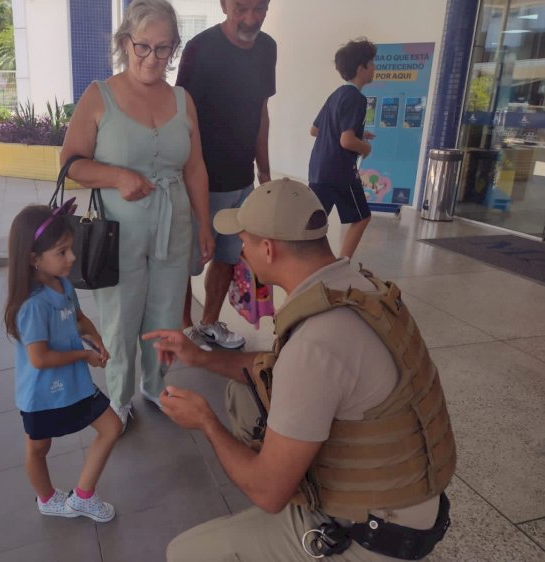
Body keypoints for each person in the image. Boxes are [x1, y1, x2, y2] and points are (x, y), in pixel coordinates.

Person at [144, 178, 456, 561]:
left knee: (184, 553)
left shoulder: (316, 342)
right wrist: (200, 357)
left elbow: (268, 494)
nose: (241, 252)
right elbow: (273, 368)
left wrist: (205, 421)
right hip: (410, 498)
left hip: (374, 534)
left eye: (244, 242)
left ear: (269, 249)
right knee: (244, 392)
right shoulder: (360, 288)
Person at [60, 0, 213, 431]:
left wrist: (204, 224)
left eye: (164, 49)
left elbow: (195, 167)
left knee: (165, 312)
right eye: (143, 46)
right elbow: (70, 162)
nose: (152, 58)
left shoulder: (183, 100)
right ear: (125, 43)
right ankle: (119, 394)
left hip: (174, 226)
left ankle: (155, 383)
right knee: (121, 315)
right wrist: (114, 176)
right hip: (117, 234)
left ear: (174, 49)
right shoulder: (99, 95)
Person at [4, 205, 121, 521]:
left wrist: (95, 338)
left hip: (75, 385)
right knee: (38, 449)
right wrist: (84, 355)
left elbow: (79, 320)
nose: (71, 258)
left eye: (71, 249)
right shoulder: (32, 306)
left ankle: (83, 496)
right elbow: (39, 359)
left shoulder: (64, 284)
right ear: (33, 259)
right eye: (62, 252)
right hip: (42, 395)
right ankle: (46, 498)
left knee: (111, 427)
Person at [177, 0, 276, 351]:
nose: (251, 18)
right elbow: (183, 118)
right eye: (241, 8)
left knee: (227, 256)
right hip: (199, 180)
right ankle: (186, 327)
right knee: (186, 262)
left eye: (260, 8)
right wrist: (190, 175)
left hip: (242, 181)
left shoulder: (267, 48)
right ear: (223, 4)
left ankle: (208, 325)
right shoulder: (200, 49)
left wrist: (264, 171)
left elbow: (261, 113)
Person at [309, 38, 378, 260]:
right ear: (361, 68)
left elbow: (315, 130)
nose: (375, 68)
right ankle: (342, 263)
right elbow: (346, 141)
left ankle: (306, 261)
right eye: (372, 63)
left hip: (319, 169)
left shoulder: (336, 94)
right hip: (341, 172)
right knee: (362, 217)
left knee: (315, 224)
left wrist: (357, 133)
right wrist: (365, 146)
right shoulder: (356, 98)